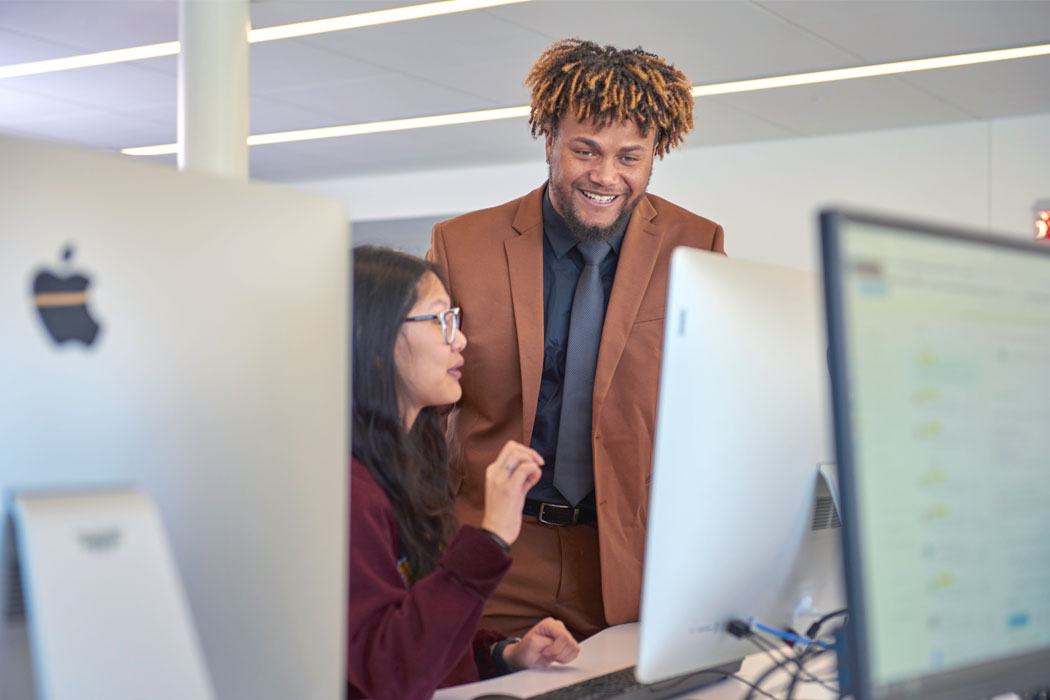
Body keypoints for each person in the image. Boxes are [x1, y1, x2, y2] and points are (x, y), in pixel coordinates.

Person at [427, 39, 726, 640]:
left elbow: (705, 416)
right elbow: (426, 409)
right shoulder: (464, 245)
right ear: (549, 143)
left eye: (629, 158)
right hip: (493, 544)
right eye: (585, 151)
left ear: (654, 157)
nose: (605, 176)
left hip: (623, 556)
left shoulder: (696, 247)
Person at [347, 246, 580, 700]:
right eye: (441, 322)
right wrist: (492, 536)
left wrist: (502, 655)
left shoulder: (408, 460)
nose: (461, 340)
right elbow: (388, 671)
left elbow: (415, 622)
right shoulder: (349, 493)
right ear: (373, 341)